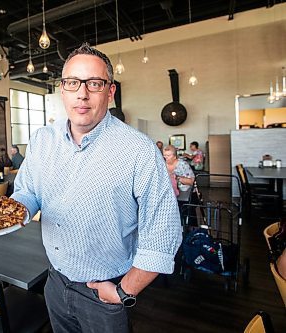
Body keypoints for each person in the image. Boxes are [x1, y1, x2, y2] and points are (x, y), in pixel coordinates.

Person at [11, 43, 182, 333]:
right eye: (72, 82)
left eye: (94, 83)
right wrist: (4, 216)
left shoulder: (138, 150)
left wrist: (123, 292)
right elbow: (27, 192)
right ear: (62, 89)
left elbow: (163, 234)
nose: (82, 93)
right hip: (54, 280)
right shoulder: (42, 139)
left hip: (104, 293)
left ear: (110, 91)